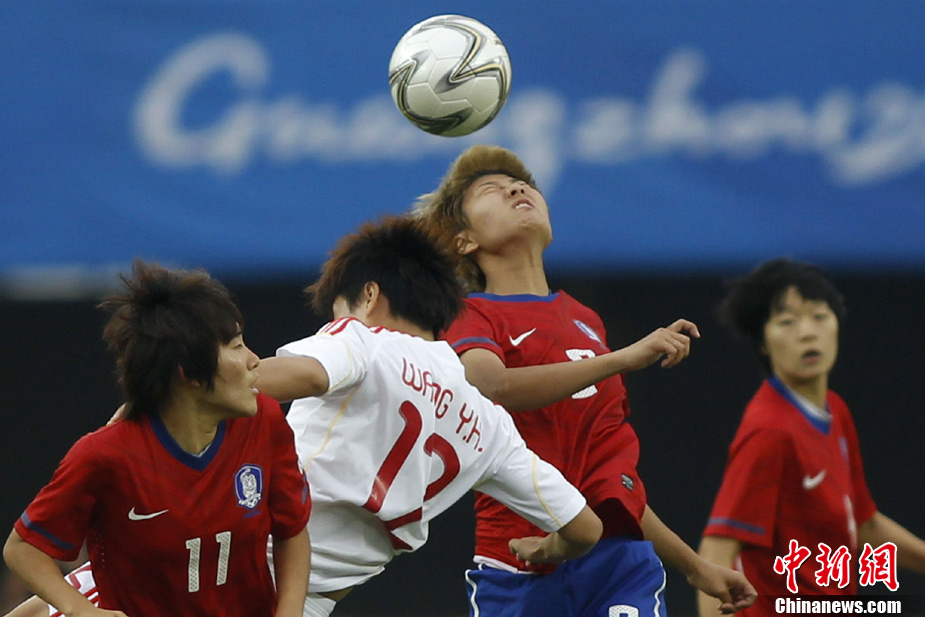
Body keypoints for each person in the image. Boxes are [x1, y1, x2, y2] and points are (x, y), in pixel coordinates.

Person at [10, 217, 603, 617]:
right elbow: (586, 530)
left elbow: (292, 376)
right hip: (301, 601)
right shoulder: (492, 427)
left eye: (336, 308)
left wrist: (158, 401)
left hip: (224, 561)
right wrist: (549, 550)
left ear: (367, 298)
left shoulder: (362, 342)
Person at [415, 144, 756, 617]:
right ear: (464, 241)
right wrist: (621, 359)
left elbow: (611, 479)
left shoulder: (585, 320)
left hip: (617, 564)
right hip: (518, 562)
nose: (517, 189)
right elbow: (494, 386)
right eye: (491, 190)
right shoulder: (471, 314)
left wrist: (695, 567)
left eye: (523, 185)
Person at [2, 261, 311, 617]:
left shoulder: (264, 421)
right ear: (188, 372)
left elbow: (292, 530)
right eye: (237, 346)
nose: (255, 360)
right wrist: (81, 610)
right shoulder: (105, 455)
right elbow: (23, 548)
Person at [697, 258, 925, 616]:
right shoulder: (770, 431)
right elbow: (716, 550)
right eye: (787, 321)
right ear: (762, 342)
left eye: (819, 316)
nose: (807, 333)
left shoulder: (836, 411)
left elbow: (864, 525)